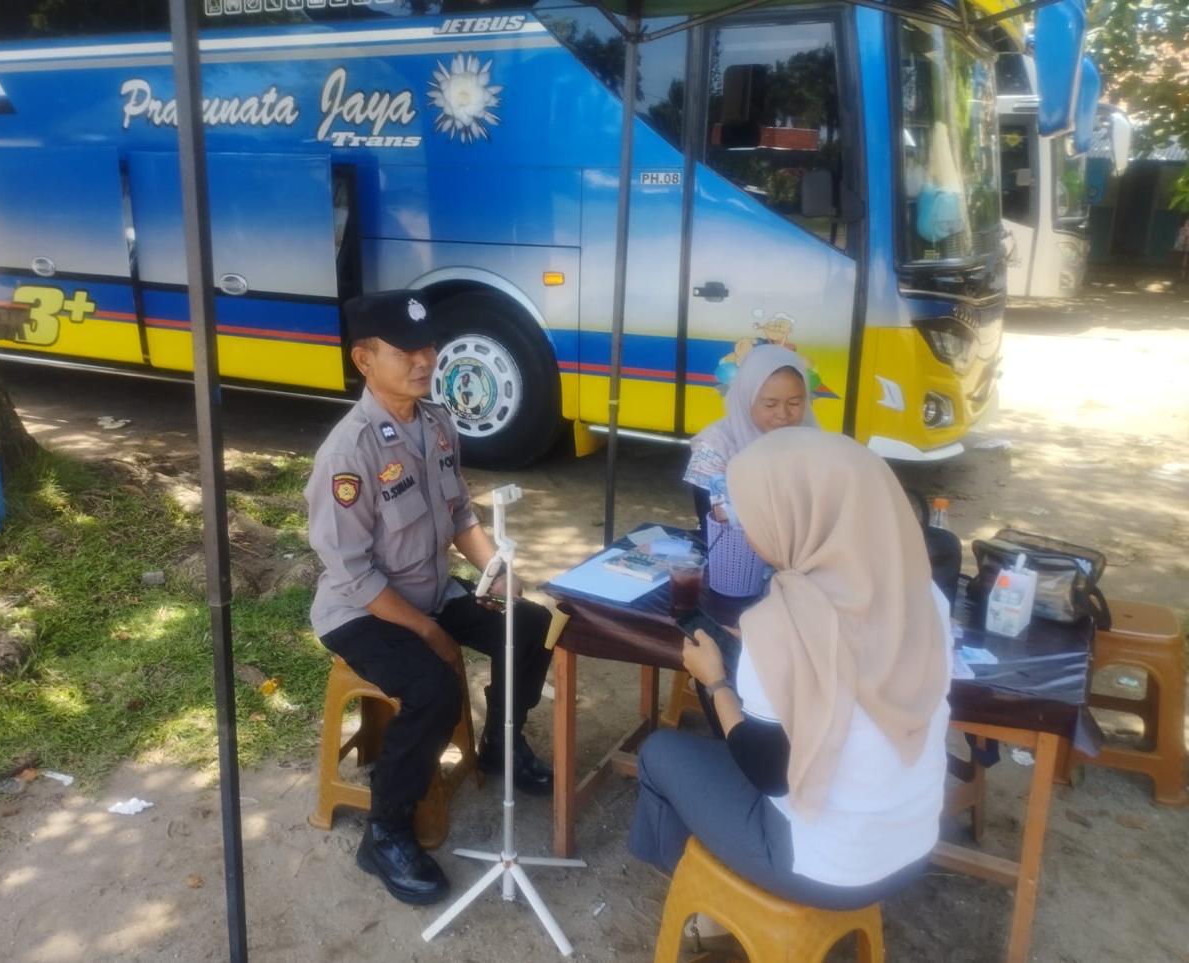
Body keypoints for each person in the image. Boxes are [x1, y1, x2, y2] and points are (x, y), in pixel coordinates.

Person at [630, 428, 953, 915]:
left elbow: (769, 774)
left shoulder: (782, 624)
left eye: (752, 515)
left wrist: (714, 680)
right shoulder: (924, 594)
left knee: (659, 752)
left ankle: (704, 910)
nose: (747, 531)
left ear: (794, 519)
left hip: (825, 870)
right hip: (914, 846)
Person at [305, 290, 554, 907]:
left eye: (428, 346)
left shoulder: (438, 423)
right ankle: (385, 831)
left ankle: (501, 744)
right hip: (361, 612)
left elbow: (461, 515)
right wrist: (426, 630)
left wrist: (497, 570)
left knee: (532, 625)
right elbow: (353, 573)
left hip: (430, 591)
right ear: (365, 359)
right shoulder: (348, 452)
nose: (424, 360)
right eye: (405, 350)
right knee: (435, 687)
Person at [684, 344, 815, 532]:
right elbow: (713, 524)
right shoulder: (713, 448)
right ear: (746, 399)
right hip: (738, 546)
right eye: (770, 404)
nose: (783, 414)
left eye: (794, 403)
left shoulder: (812, 442)